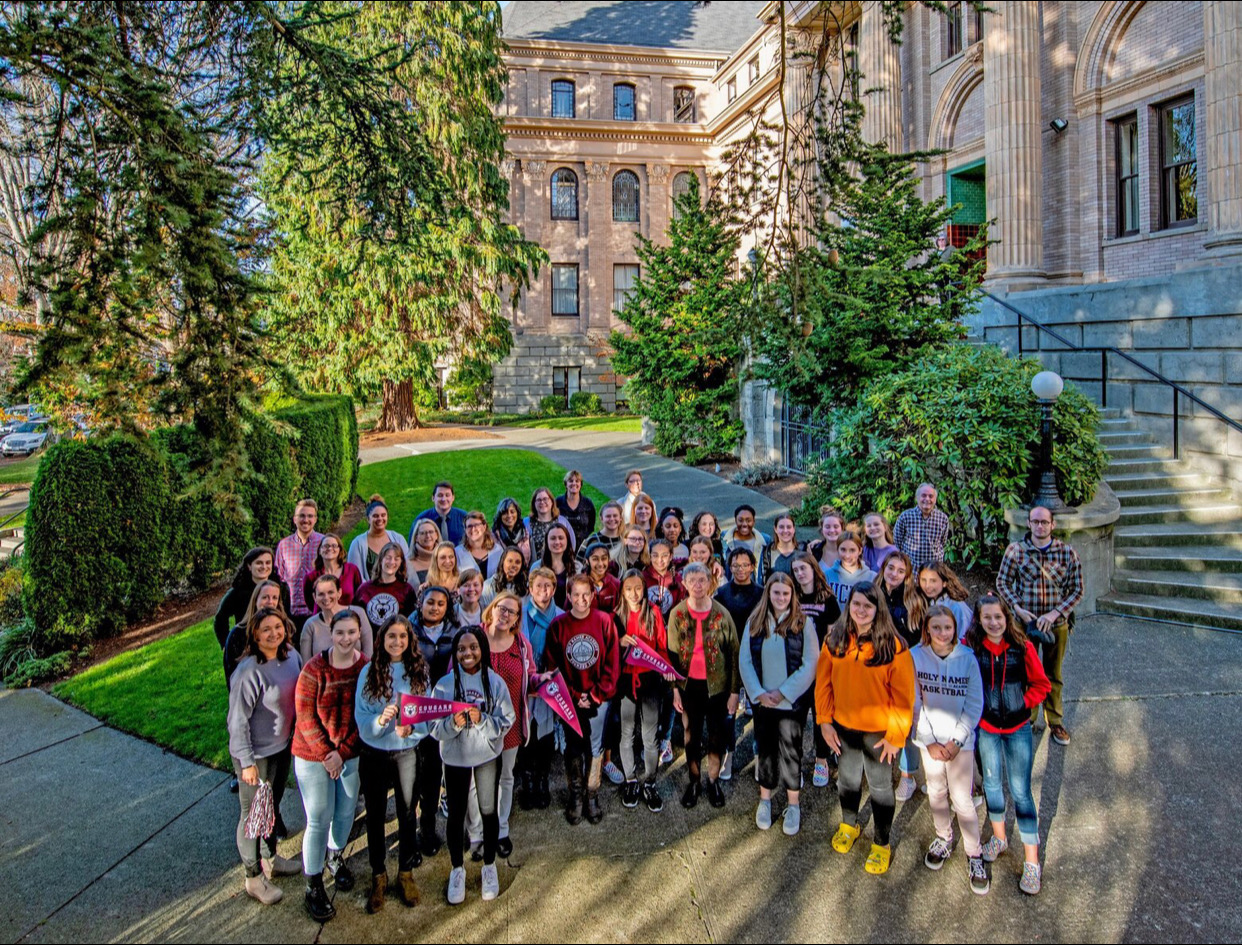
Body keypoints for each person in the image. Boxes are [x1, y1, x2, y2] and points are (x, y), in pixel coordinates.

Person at [815, 582, 915, 876]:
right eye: (856, 604)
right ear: (849, 605)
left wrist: (896, 737)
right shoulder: (834, 639)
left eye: (867, 606)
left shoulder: (893, 647)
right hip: (844, 728)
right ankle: (849, 824)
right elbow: (823, 684)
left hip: (879, 734)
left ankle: (881, 843)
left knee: (881, 787)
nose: (861, 610)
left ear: (877, 609)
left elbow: (904, 697)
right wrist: (824, 721)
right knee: (847, 781)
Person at [967, 595, 1051, 896]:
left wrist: (1022, 704)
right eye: (986, 617)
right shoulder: (972, 649)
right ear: (979, 619)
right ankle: (1000, 838)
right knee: (991, 784)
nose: (992, 622)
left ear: (1007, 618)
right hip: (987, 728)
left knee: (1021, 792)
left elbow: (1042, 685)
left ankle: (1031, 860)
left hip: (1017, 728)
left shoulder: (1023, 647)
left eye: (998, 617)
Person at [431, 626, 516, 905]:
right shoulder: (444, 685)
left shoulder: (495, 682)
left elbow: (506, 721)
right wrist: (451, 724)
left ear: (483, 648)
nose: (468, 653)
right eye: (462, 649)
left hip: (486, 757)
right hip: (456, 758)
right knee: (455, 815)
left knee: (488, 811)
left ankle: (489, 865)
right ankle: (457, 868)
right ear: (454, 653)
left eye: (473, 647)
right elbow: (433, 728)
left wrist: (481, 720)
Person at [292, 608, 368, 920]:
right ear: (331, 634)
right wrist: (327, 754)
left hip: (349, 752)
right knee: (319, 817)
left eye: (352, 632)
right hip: (312, 754)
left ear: (359, 634)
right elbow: (305, 715)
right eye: (340, 633)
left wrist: (343, 752)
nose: (346, 638)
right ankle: (313, 885)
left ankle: (335, 856)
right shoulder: (314, 669)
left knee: (346, 810)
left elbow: (367, 715)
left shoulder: (365, 667)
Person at [354, 614, 431, 913]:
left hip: (406, 752)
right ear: (381, 640)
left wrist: (413, 729)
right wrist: (380, 721)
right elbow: (362, 718)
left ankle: (405, 873)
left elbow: (425, 712)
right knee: (374, 815)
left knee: (407, 813)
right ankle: (378, 875)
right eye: (391, 636)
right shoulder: (369, 671)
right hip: (374, 753)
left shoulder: (418, 669)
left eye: (402, 636)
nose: (397, 642)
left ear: (409, 640)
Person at [227, 606, 303, 905]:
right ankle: (253, 878)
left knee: (271, 807)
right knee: (252, 816)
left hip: (281, 747)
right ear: (255, 635)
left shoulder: (291, 657)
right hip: (254, 755)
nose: (274, 633)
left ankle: (271, 858)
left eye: (278, 627)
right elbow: (237, 721)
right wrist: (246, 763)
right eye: (266, 629)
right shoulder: (247, 671)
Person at [911, 605, 988, 894]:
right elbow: (914, 702)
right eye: (936, 628)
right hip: (929, 741)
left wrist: (956, 741)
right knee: (936, 791)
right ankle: (943, 838)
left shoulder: (967, 659)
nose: (942, 633)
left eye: (948, 628)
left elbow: (973, 703)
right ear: (926, 630)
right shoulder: (915, 657)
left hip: (960, 744)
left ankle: (974, 853)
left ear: (955, 629)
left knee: (962, 798)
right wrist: (929, 740)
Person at [995, 506, 1084, 748]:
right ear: (1029, 524)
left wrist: (1056, 613)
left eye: (1045, 522)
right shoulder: (1016, 551)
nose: (1040, 526)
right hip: (1025, 623)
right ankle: (1027, 717)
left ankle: (1054, 719)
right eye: (1035, 522)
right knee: (1024, 672)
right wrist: (1016, 607)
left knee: (1053, 673)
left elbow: (1077, 590)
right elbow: (1002, 582)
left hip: (1057, 624)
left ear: (1053, 525)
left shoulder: (1067, 553)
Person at [739, 573, 818, 836]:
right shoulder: (755, 621)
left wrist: (784, 692)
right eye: (776, 593)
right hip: (764, 703)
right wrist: (759, 693)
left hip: (790, 704)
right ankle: (765, 799)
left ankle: (793, 804)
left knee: (791, 753)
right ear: (768, 594)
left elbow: (810, 663)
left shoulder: (803, 623)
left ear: (792, 595)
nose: (781, 598)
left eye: (786, 593)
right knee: (766, 752)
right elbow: (746, 661)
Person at [546, 573, 621, 825]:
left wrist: (597, 694)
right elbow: (552, 666)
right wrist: (574, 695)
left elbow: (612, 663)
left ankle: (591, 795)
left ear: (593, 595)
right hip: (571, 700)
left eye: (586, 594)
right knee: (574, 747)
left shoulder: (604, 621)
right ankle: (576, 796)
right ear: (568, 596)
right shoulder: (559, 626)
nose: (581, 599)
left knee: (596, 747)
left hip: (599, 699)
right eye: (576, 594)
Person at [666, 562, 740, 810]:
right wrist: (675, 689)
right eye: (692, 580)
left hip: (717, 687)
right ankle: (694, 781)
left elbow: (733, 654)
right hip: (689, 687)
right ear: (684, 584)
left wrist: (733, 692)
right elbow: (672, 655)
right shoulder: (676, 614)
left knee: (717, 736)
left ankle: (713, 780)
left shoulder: (722, 614)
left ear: (710, 583)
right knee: (691, 735)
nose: (698, 585)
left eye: (702, 580)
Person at [466, 593, 535, 858]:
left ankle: (501, 829)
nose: (505, 615)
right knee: (476, 781)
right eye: (501, 609)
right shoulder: (474, 639)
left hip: (511, 724)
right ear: (491, 609)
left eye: (512, 612)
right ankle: (477, 833)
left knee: (506, 778)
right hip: (478, 725)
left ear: (517, 619)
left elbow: (531, 675)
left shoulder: (520, 645)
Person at [613, 569, 671, 812]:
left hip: (649, 681)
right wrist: (619, 641)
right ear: (622, 591)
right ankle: (630, 780)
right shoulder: (615, 616)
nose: (634, 594)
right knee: (627, 733)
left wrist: (667, 668)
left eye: (638, 588)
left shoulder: (654, 612)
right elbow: (607, 652)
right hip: (625, 681)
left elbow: (662, 647)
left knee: (650, 735)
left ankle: (650, 781)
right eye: (628, 589)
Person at [410, 587, 458, 856]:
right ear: (421, 603)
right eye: (430, 602)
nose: (435, 608)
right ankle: (418, 829)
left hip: (445, 710)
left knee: (438, 773)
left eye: (441, 603)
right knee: (418, 776)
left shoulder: (454, 629)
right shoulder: (408, 628)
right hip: (418, 711)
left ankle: (435, 829)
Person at [789, 552, 841, 788]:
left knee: (821, 714)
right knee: (796, 716)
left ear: (813, 569)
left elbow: (832, 634)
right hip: (796, 666)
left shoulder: (827, 598)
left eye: (804, 568)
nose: (800, 573)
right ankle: (795, 761)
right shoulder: (792, 597)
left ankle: (822, 759)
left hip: (820, 666)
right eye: (796, 570)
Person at [713, 546, 764, 781]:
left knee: (761, 711)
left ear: (752, 566)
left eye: (745, 565)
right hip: (728, 658)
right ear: (729, 567)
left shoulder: (762, 593)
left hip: (756, 657)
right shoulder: (722, 593)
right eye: (736, 565)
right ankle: (728, 754)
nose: (740, 569)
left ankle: (760, 756)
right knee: (727, 712)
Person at [516, 568, 563, 810]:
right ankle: (527, 780)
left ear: (554, 589)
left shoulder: (562, 616)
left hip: (550, 686)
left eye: (548, 586)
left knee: (544, 734)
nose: (544, 591)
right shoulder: (520, 616)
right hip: (525, 685)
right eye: (539, 586)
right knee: (526, 734)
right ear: (530, 589)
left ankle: (542, 779)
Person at [214, 547, 289, 667]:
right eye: (259, 563)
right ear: (249, 566)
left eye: (268, 563)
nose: (264, 567)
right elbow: (220, 619)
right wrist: (225, 644)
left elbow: (287, 616)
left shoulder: (281, 589)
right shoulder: (237, 592)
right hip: (245, 645)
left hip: (274, 642)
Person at [224, 580, 291, 686]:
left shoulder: (283, 628)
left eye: (275, 598)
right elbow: (231, 674)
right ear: (255, 600)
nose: (270, 602)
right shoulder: (237, 634)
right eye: (265, 597)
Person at [275, 498, 325, 641]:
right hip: (290, 613)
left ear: (315, 519)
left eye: (310, 516)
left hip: (316, 612)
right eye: (302, 516)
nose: (306, 520)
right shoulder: (284, 545)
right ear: (295, 519)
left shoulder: (324, 543)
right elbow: (279, 580)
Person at [299, 573, 374, 664]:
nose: (326, 598)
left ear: (339, 593)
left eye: (330, 592)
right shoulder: (310, 625)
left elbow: (368, 653)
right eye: (321, 594)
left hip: (358, 674)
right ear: (315, 597)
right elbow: (306, 665)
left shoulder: (358, 613)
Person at [348, 496, 412, 582]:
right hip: (369, 593)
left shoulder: (398, 539)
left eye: (383, 515)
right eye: (375, 516)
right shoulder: (357, 544)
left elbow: (408, 568)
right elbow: (356, 576)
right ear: (368, 519)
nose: (380, 519)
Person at [355, 542, 419, 627]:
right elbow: (355, 618)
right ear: (381, 560)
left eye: (396, 559)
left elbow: (411, 620)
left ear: (401, 562)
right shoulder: (364, 589)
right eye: (388, 558)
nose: (392, 562)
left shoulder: (407, 590)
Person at [893, 483, 951, 573]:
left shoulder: (943, 518)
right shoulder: (905, 516)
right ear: (917, 498)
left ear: (935, 499)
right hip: (911, 569)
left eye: (931, 496)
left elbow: (942, 542)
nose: (927, 499)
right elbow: (897, 542)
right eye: (923, 495)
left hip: (934, 569)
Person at [913, 561, 973, 639]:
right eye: (923, 580)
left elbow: (964, 639)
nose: (927, 586)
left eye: (933, 581)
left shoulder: (957, 607)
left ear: (944, 583)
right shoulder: (926, 600)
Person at [305, 533, 364, 609]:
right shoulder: (311, 577)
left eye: (334, 546)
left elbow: (359, 595)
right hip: (323, 619)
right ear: (319, 550)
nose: (329, 548)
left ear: (340, 550)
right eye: (326, 546)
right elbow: (310, 603)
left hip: (348, 618)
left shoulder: (352, 570)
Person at [822, 530, 877, 607]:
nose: (847, 556)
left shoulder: (872, 577)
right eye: (843, 550)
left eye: (852, 550)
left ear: (860, 551)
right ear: (837, 550)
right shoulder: (826, 576)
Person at [880, 551, 919, 649]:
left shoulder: (912, 601)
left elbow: (915, 636)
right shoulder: (872, 593)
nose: (894, 574)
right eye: (891, 568)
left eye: (901, 571)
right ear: (884, 567)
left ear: (906, 575)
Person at [722, 504, 769, 583]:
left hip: (755, 589)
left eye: (748, 520)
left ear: (754, 521)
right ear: (735, 520)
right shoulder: (724, 538)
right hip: (730, 589)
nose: (744, 524)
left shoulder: (765, 540)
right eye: (740, 520)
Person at [411, 480, 468, 546]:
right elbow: (412, 547)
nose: (444, 499)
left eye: (447, 495)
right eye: (440, 495)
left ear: (453, 498)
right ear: (433, 498)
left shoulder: (464, 518)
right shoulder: (421, 520)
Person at [526, 487, 574, 562]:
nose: (542, 502)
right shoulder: (527, 523)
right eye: (539, 500)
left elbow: (571, 544)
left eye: (545, 499)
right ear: (534, 504)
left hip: (559, 566)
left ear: (552, 502)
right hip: (535, 568)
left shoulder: (562, 521)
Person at [537, 521, 578, 608]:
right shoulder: (537, 567)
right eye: (553, 538)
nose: (557, 542)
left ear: (567, 540)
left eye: (561, 538)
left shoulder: (578, 567)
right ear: (546, 541)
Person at [455, 510, 504, 580]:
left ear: (484, 527)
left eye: (476, 525)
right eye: (469, 526)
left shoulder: (497, 550)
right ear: (465, 530)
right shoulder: (458, 552)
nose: (473, 529)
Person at [642, 539, 684, 620]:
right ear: (650, 556)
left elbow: (680, 607)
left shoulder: (677, 578)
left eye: (664, 555)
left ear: (671, 556)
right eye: (655, 555)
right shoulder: (643, 577)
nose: (659, 560)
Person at [557, 469, 596, 549]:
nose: (574, 483)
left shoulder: (587, 503)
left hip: (582, 547)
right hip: (562, 546)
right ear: (566, 484)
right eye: (571, 481)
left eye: (577, 481)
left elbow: (591, 526)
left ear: (580, 484)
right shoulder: (558, 502)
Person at [577, 500, 624, 565]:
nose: (612, 519)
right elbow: (578, 564)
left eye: (615, 516)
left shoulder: (625, 540)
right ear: (601, 519)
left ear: (621, 518)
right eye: (608, 516)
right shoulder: (591, 541)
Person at [583, 541, 621, 615]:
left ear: (608, 560)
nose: (600, 564)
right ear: (587, 561)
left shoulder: (616, 584)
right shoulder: (579, 583)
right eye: (595, 559)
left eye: (604, 558)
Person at [492, 498, 533, 564]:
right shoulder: (494, 536)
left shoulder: (526, 532)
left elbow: (532, 559)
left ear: (517, 513)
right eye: (505, 513)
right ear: (500, 516)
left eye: (512, 512)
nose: (509, 515)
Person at [761, 512, 802, 577]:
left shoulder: (803, 549)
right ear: (775, 529)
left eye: (789, 527)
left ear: (794, 529)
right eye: (781, 527)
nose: (785, 531)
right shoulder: (767, 552)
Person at [807, 507, 845, 574]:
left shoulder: (850, 550)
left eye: (836, 526)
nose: (832, 530)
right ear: (822, 530)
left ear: (842, 529)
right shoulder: (814, 551)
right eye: (827, 527)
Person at [407, 520, 442, 586]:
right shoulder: (407, 563)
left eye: (431, 532)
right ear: (416, 538)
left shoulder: (445, 559)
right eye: (423, 533)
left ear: (436, 535)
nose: (428, 536)